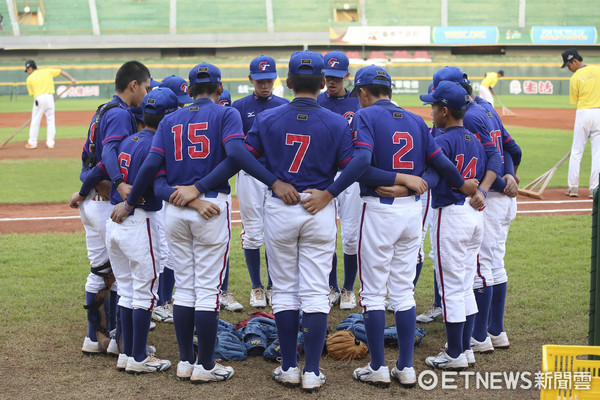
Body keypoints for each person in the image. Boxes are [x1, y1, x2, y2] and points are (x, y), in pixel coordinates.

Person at [237, 50, 369, 392]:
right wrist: (330, 191)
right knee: (314, 291)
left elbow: (238, 153)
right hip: (318, 207)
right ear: (323, 82)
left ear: (289, 82)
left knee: (283, 291)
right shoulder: (338, 122)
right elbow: (358, 162)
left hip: (281, 205)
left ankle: (288, 368)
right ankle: (311, 371)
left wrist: (273, 181)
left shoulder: (267, 119)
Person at [111, 62, 252, 383]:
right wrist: (200, 190)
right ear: (219, 89)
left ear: (187, 90)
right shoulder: (226, 113)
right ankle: (205, 366)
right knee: (208, 290)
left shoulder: (171, 119)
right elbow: (235, 154)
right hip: (209, 206)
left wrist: (129, 202)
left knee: (185, 289)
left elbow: (150, 168)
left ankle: (186, 361)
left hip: (173, 207)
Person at [348, 66, 476, 387]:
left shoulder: (365, 117)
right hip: (412, 213)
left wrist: (395, 181)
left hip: (378, 211)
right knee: (404, 293)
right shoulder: (417, 121)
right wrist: (461, 184)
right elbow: (440, 167)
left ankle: (378, 368)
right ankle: (405, 367)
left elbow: (362, 166)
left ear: (364, 92)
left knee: (374, 294)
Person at [70, 61, 151, 356]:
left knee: (100, 270)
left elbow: (86, 156)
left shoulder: (103, 109)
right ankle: (115, 338)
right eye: (146, 86)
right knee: (115, 272)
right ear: (133, 85)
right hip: (104, 199)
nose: (146, 92)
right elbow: (108, 153)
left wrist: (85, 187)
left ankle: (96, 338)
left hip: (93, 195)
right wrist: (115, 183)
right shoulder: (119, 114)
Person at [419, 81, 493, 370]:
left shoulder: (441, 142)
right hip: (475, 216)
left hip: (450, 215)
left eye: (434, 107)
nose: (431, 111)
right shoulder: (474, 139)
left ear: (445, 111)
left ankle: (454, 354)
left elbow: (433, 178)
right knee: (464, 285)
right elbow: (491, 164)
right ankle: (466, 350)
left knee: (451, 288)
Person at [232, 55, 289, 308]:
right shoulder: (239, 107)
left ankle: (275, 285)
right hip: (250, 176)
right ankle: (256, 286)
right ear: (250, 79)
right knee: (253, 233)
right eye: (259, 80)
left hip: (278, 176)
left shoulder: (285, 105)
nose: (264, 85)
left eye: (268, 80)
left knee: (278, 232)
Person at [317, 50, 361, 310]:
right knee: (326, 234)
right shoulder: (317, 101)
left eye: (337, 76)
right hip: (323, 173)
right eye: (328, 76)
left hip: (351, 174)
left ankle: (348, 289)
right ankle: (331, 287)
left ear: (346, 75)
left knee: (351, 235)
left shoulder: (358, 104)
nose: (332, 82)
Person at [561, 48, 600, 198]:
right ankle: (594, 189)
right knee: (598, 154)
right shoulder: (598, 70)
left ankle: (573, 187)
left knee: (577, 151)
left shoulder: (575, 78)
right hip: (599, 112)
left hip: (584, 112)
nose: (569, 68)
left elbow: (575, 100)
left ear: (575, 61)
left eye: (568, 65)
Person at [24, 59, 76, 149]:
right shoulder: (47, 71)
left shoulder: (29, 79)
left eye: (27, 70)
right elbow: (61, 71)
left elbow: (32, 93)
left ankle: (32, 142)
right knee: (51, 121)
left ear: (30, 68)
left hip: (39, 98)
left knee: (35, 121)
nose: (27, 72)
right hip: (49, 98)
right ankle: (50, 143)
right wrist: (72, 79)